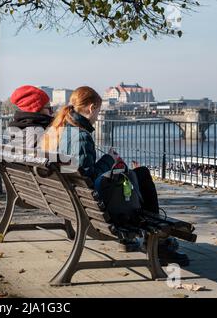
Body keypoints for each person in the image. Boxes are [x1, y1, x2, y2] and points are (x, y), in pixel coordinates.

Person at [41, 86, 189, 266]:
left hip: (73, 202)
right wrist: (109, 159)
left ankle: (148, 241)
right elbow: (88, 177)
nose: (97, 117)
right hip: (96, 207)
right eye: (98, 111)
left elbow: (80, 175)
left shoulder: (61, 129)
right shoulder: (80, 136)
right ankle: (157, 243)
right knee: (141, 175)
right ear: (91, 108)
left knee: (134, 174)